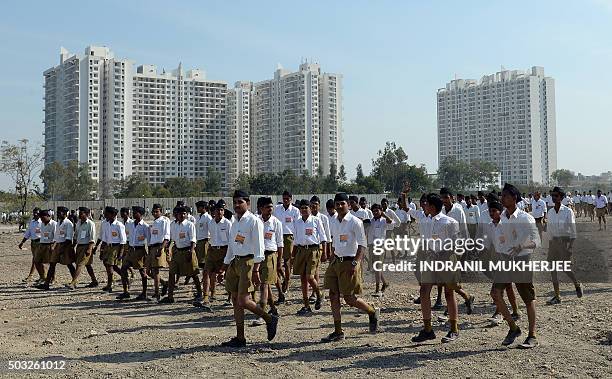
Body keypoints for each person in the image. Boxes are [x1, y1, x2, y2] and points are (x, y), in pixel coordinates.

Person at [219, 190, 279, 348]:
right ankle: (240, 337)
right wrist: (224, 266)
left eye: (240, 202)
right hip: (235, 263)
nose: (237, 205)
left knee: (244, 300)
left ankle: (268, 318)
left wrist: (256, 269)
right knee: (235, 301)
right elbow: (231, 246)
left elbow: (260, 247)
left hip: (248, 262)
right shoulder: (234, 221)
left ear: (248, 203)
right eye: (235, 202)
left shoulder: (253, 221)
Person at [321, 193, 379, 342]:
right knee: (333, 295)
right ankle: (338, 331)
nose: (339, 206)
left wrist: (356, 263)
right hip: (336, 262)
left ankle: (371, 311)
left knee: (349, 298)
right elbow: (334, 243)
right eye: (337, 204)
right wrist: (331, 260)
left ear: (348, 204)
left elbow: (362, 244)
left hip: (349, 262)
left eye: (342, 203)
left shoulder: (355, 222)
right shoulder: (333, 221)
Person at [489, 183, 540, 349]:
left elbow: (536, 241)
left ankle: (532, 335)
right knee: (495, 293)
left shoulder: (526, 218)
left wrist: (521, 246)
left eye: (505, 196)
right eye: (501, 196)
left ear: (514, 198)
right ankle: (513, 328)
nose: (502, 198)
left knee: (528, 299)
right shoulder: (503, 217)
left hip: (521, 261)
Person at [410, 193, 461, 343]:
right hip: (429, 260)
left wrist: (441, 253)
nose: (423, 206)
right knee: (424, 290)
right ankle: (428, 330)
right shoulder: (426, 221)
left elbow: (457, 244)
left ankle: (454, 329)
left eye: (426, 204)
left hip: (446, 260)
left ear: (432, 206)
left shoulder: (449, 222)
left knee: (449, 293)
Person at [546, 187, 582, 305]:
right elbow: (549, 230)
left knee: (565, 268)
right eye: (553, 195)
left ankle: (577, 284)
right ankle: (557, 296)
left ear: (561, 197)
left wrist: (570, 247)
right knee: (553, 269)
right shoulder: (550, 212)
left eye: (556, 196)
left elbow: (573, 231)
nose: (554, 197)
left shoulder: (568, 211)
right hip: (553, 244)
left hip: (564, 243)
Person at [159, 206, 202, 304]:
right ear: (176, 215)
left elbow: (193, 240)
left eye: (184, 213)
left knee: (193, 273)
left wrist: (190, 253)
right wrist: (167, 248)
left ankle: (199, 293)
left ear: (187, 214)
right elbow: (170, 238)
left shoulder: (190, 225)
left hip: (188, 251)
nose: (182, 215)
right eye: (180, 213)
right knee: (171, 273)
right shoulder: (173, 225)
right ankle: (170, 297)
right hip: (177, 252)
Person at [251, 196, 283, 326]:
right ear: (260, 208)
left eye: (271, 206)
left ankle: (261, 315)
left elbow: (280, 244)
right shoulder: (255, 222)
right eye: (267, 207)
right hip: (257, 256)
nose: (270, 209)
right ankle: (273, 309)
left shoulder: (276, 223)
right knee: (265, 285)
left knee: (264, 284)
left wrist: (279, 262)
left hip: (270, 256)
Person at [292, 199, 327, 315]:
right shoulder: (297, 222)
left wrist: (325, 253)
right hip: (301, 250)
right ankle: (306, 305)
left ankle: (319, 294)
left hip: (313, 250)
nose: (303, 210)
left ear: (310, 208)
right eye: (301, 208)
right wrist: (293, 255)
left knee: (310, 277)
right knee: (302, 279)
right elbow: (296, 240)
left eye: (305, 208)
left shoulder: (316, 220)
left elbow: (323, 238)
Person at [37, 206, 76, 290]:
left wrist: (62, 249)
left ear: (65, 213)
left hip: (66, 246)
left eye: (60, 212)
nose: (58, 214)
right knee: (52, 264)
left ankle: (74, 281)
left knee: (69, 264)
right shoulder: (59, 222)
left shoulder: (68, 223)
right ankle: (46, 284)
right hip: (58, 245)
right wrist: (54, 246)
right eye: (57, 212)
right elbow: (57, 236)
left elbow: (69, 238)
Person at [202, 205, 232, 311]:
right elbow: (211, 237)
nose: (219, 211)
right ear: (213, 211)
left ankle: (230, 298)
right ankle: (205, 297)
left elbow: (231, 240)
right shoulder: (211, 223)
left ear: (224, 212)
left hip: (224, 251)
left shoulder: (228, 223)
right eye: (217, 209)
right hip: (212, 251)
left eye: (221, 210)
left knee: (228, 275)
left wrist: (229, 254)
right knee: (206, 272)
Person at [117, 206, 150, 300]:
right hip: (130, 250)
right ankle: (125, 291)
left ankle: (144, 293)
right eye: (133, 212)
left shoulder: (145, 226)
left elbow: (149, 241)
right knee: (123, 268)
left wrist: (148, 254)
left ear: (140, 214)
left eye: (136, 212)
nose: (134, 214)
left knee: (142, 272)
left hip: (140, 251)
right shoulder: (130, 224)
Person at [273, 190, 300, 299]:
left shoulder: (295, 210)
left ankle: (287, 283)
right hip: (276, 236)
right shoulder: (277, 208)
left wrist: (296, 240)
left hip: (289, 237)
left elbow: (297, 226)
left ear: (291, 199)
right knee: (277, 260)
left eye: (287, 199)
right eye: (284, 198)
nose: (285, 200)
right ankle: (281, 279)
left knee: (287, 262)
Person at [94, 206, 127, 292]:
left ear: (113, 215)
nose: (104, 215)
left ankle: (110, 284)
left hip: (116, 247)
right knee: (110, 265)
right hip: (107, 247)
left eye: (106, 214)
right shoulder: (105, 223)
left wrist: (120, 253)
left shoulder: (119, 225)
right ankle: (125, 278)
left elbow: (123, 241)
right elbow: (103, 238)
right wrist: (101, 250)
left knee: (109, 266)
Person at [367, 203, 397, 297]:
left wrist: (384, 215)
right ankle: (385, 283)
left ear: (381, 211)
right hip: (372, 245)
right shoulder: (371, 221)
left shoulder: (384, 221)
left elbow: (392, 222)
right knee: (375, 267)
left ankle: (377, 289)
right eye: (374, 211)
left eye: (377, 210)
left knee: (377, 267)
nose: (375, 212)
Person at [67, 207, 98, 289]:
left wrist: (89, 249)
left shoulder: (90, 224)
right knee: (88, 265)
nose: (79, 215)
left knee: (79, 264)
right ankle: (94, 281)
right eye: (79, 213)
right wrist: (73, 246)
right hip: (79, 247)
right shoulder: (78, 223)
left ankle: (73, 282)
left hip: (86, 247)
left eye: (81, 213)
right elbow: (76, 235)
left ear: (87, 214)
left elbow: (92, 238)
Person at [309, 196, 331, 304]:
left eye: (316, 204)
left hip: (319, 247)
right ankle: (316, 292)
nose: (313, 207)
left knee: (315, 270)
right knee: (312, 271)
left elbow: (327, 236)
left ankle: (315, 293)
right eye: (312, 204)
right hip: (308, 248)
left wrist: (327, 251)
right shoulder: (306, 217)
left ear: (319, 205)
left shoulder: (323, 218)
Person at [147, 203, 170, 301]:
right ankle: (164, 283)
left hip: (159, 247)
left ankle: (157, 293)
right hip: (152, 248)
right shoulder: (154, 223)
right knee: (148, 271)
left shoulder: (164, 221)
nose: (155, 213)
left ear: (161, 211)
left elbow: (166, 237)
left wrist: (161, 249)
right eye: (154, 211)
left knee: (155, 271)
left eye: (157, 211)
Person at [18, 208, 44, 284]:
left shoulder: (42, 222)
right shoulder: (32, 222)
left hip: (40, 243)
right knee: (36, 260)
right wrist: (22, 242)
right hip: (33, 243)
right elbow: (28, 233)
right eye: (34, 213)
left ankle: (38, 276)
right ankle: (40, 276)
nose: (35, 214)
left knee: (37, 260)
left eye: (37, 213)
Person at [33, 210, 56, 287]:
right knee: (36, 261)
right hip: (42, 244)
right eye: (40, 217)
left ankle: (52, 278)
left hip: (50, 245)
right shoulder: (42, 224)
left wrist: (53, 246)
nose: (41, 219)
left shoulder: (54, 224)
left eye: (43, 217)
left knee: (51, 263)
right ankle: (43, 277)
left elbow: (56, 237)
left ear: (48, 216)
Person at [195, 200, 212, 296]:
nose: (198, 209)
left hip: (205, 242)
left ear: (204, 207)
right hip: (199, 242)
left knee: (206, 266)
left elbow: (211, 231)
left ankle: (207, 287)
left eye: (199, 207)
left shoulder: (207, 218)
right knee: (201, 265)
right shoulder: (199, 217)